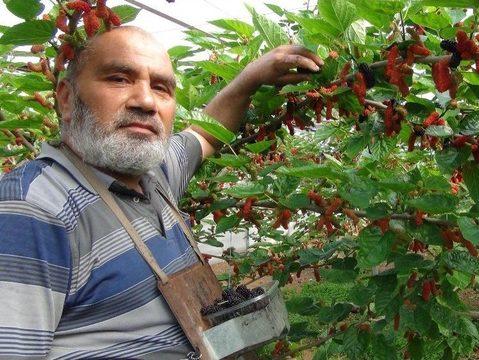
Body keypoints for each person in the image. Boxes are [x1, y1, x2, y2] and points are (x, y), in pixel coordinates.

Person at [0, 26, 323, 359]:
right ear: (66, 98)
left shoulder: (156, 176)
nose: (146, 101)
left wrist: (250, 79)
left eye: (162, 87)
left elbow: (206, 134)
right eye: (118, 79)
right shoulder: (33, 208)